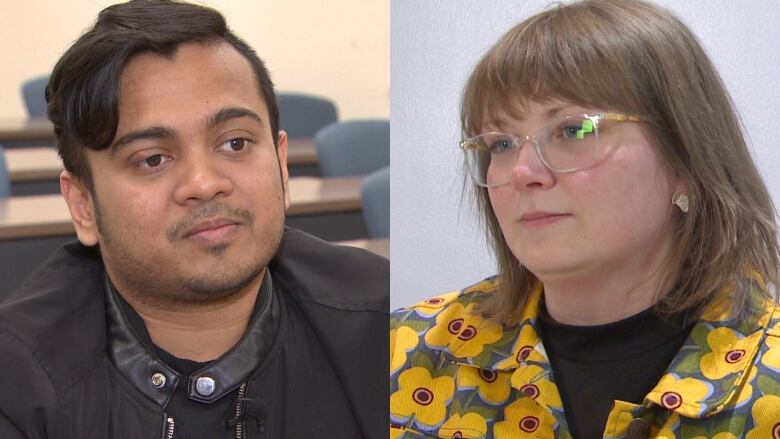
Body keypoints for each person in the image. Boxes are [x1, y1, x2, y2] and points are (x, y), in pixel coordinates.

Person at [389, 0, 780, 438]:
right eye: (500, 143)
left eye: (574, 130)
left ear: (686, 161)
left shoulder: (769, 384)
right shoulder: (404, 350)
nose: (521, 172)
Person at [0, 1, 388, 438]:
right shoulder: (17, 385)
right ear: (83, 206)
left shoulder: (384, 324)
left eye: (236, 143)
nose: (204, 183)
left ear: (282, 165)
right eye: (152, 160)